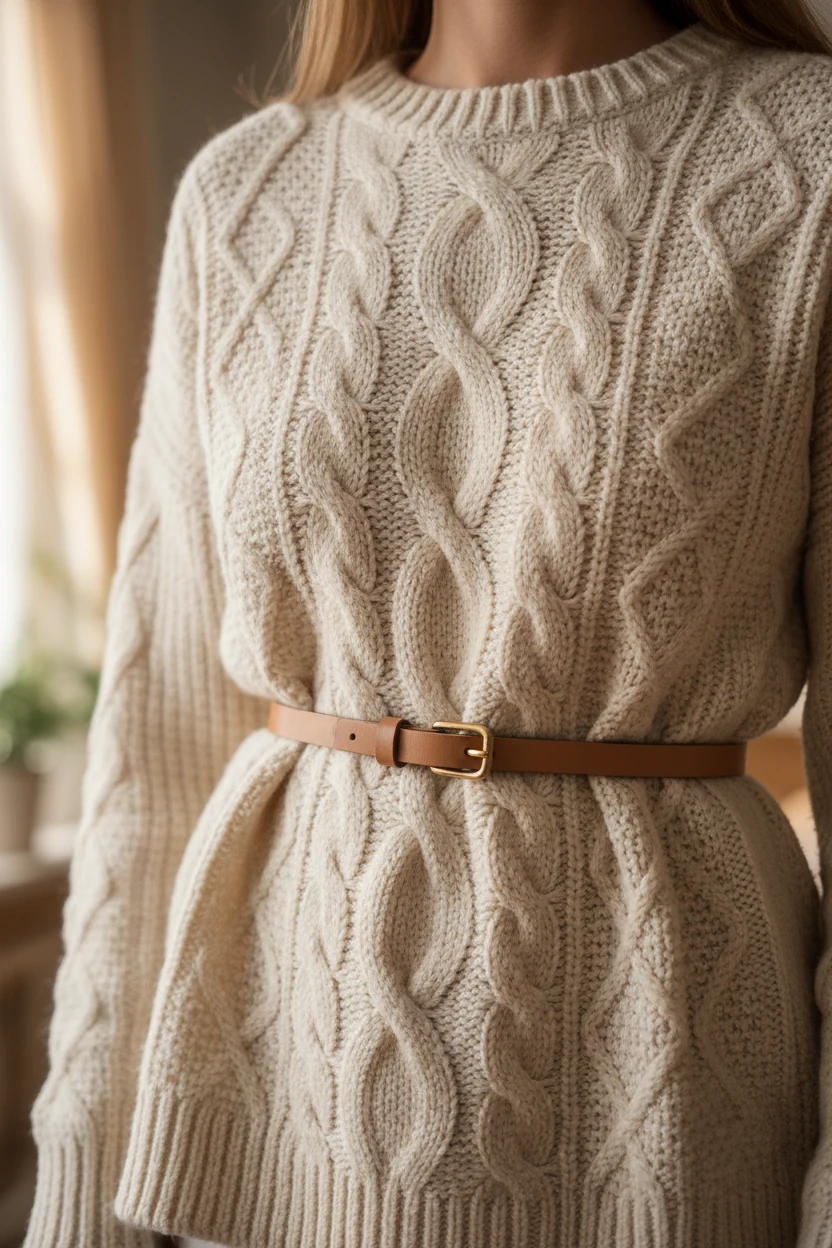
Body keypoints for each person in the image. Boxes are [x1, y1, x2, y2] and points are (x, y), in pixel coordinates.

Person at [21, 0, 832, 1243]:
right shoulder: (246, 193)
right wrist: (81, 1187)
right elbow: (156, 742)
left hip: (663, 1114)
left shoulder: (805, 157)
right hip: (270, 1105)